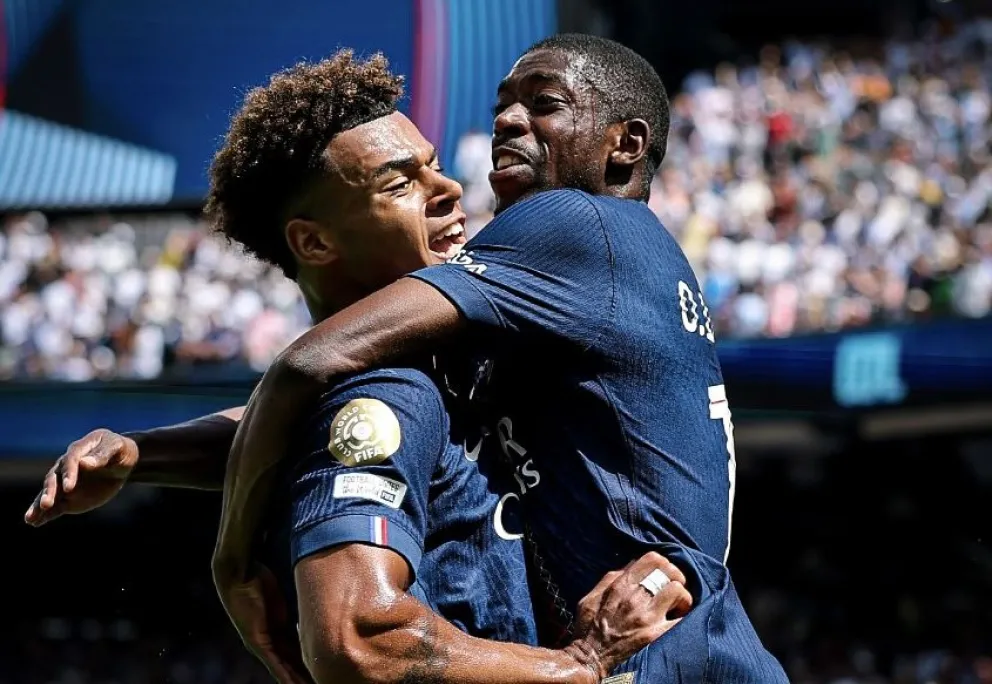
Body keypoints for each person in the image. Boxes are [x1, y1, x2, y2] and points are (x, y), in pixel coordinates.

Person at [24, 52, 692, 684]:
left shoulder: (423, 366)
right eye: (401, 183)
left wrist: (145, 454)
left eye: (433, 166)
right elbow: (359, 638)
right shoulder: (384, 390)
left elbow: (298, 427)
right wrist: (580, 664)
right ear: (314, 241)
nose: (449, 189)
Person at [210, 34, 789, 681]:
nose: (508, 123)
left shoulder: (574, 225)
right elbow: (329, 423)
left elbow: (308, 366)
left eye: (544, 104)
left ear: (625, 144)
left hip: (664, 653)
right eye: (502, 107)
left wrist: (233, 563)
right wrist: (141, 454)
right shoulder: (558, 299)